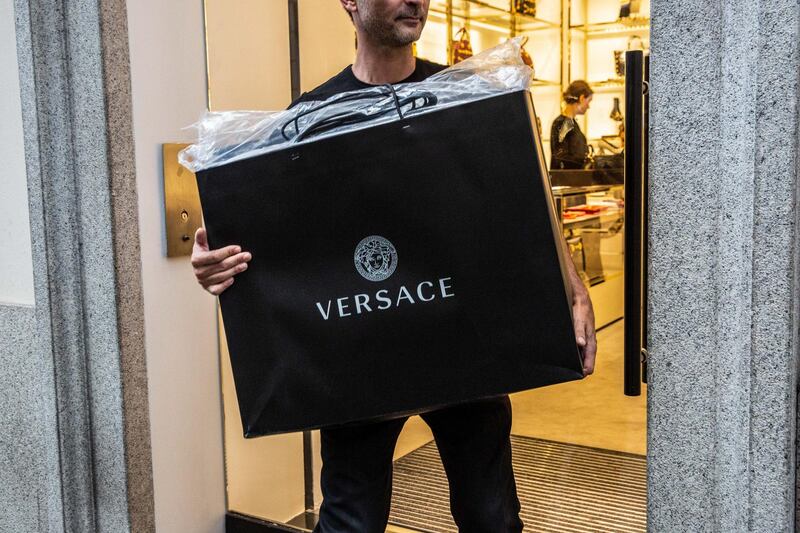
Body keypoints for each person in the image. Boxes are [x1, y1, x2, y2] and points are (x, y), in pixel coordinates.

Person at [190, 1, 597, 531]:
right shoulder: (309, 118)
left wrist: (575, 286)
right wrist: (216, 266)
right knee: (351, 519)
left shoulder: (465, 99)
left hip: (465, 341)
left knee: (490, 514)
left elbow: (523, 203)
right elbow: (287, 251)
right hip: (358, 360)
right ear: (350, 2)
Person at [550, 80, 594, 170]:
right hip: (565, 181)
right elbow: (561, 158)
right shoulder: (562, 123)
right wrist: (586, 161)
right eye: (588, 101)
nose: (588, 106)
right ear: (581, 98)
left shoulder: (570, 122)